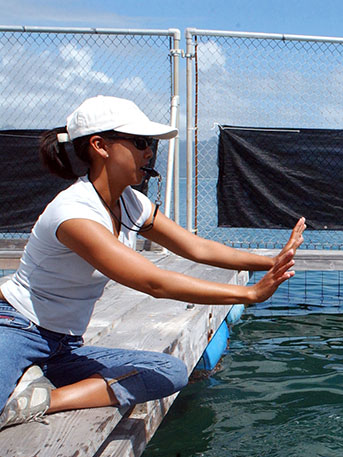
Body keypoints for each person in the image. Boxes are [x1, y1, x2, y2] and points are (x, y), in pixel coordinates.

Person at [0, 95, 307, 429]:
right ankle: (26, 381)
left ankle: (40, 398)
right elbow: (152, 282)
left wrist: (271, 260)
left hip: (64, 345)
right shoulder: (74, 214)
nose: (149, 152)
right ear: (100, 145)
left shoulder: (130, 203)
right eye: (141, 142)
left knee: (170, 372)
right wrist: (248, 295)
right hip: (17, 328)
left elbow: (196, 248)